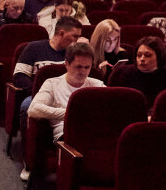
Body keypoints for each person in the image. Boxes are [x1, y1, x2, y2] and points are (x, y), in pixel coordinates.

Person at [21, 40, 104, 180]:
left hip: (94, 133)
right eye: (78, 67)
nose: (83, 72)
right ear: (66, 64)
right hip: (66, 134)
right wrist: (70, 114)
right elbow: (33, 109)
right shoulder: (52, 83)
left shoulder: (97, 85)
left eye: (87, 67)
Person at [115, 36, 166, 108]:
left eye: (148, 55)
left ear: (159, 57)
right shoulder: (126, 75)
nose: (142, 59)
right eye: (139, 55)